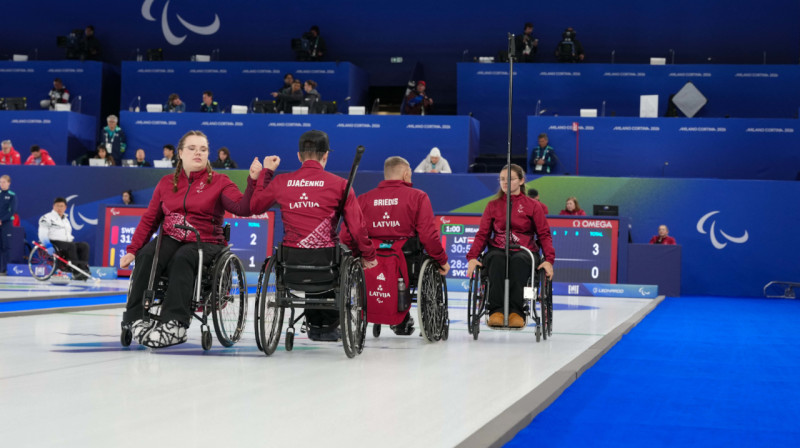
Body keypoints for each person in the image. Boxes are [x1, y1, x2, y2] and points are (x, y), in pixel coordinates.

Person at [119, 130, 270, 348]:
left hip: (206, 241)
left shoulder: (220, 182)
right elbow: (150, 219)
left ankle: (175, 324)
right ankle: (134, 318)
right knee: (147, 255)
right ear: (180, 153)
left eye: (203, 149)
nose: (198, 153)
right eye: (192, 148)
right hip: (172, 236)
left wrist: (253, 180)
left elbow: (243, 208)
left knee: (184, 256)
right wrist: (133, 249)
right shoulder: (166, 183)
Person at [250, 130, 377, 341]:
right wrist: (368, 254)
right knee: (339, 253)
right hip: (326, 264)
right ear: (326, 155)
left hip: (290, 264)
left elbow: (255, 206)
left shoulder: (282, 182)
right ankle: (325, 325)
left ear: (299, 156)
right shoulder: (340, 185)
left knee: (321, 251)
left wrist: (267, 173)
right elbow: (356, 228)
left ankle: (318, 325)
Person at [341, 156, 450, 335]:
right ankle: (406, 319)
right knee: (429, 263)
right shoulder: (418, 197)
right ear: (406, 173)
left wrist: (356, 257)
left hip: (371, 261)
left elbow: (347, 235)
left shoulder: (364, 199)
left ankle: (390, 315)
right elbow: (428, 236)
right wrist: (441, 260)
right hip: (408, 263)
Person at [466, 164, 554, 328]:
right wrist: (472, 257)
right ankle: (496, 311)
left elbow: (544, 234)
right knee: (497, 259)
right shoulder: (492, 206)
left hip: (525, 251)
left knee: (519, 261)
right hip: (498, 249)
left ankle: (517, 312)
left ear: (521, 181)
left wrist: (549, 260)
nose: (505, 182)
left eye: (510, 179)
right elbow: (482, 234)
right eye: (502, 179)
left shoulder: (534, 206)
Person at [38, 197, 91, 280]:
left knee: (84, 245)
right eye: (57, 206)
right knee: (71, 246)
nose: (59, 208)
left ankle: (83, 269)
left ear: (65, 207)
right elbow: (42, 234)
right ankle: (75, 271)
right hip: (54, 242)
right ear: (53, 206)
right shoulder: (46, 218)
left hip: (67, 243)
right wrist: (48, 245)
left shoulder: (65, 219)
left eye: (61, 206)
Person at [0, 175, 17, 275]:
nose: (2, 184)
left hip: (6, 224)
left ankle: (4, 269)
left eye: (4, 182)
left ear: (8, 183)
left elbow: (13, 211)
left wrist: (2, 219)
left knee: (5, 246)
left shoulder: (12, 195)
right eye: (0, 182)